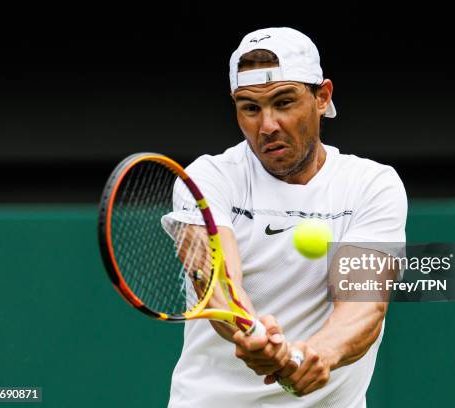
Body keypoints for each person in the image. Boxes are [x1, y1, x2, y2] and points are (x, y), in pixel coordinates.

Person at [166, 27, 407, 407]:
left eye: (284, 102)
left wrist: (318, 354)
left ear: (322, 97)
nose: (267, 125)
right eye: (250, 107)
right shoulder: (207, 178)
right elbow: (217, 286)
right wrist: (252, 334)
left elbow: (364, 306)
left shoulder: (371, 184)